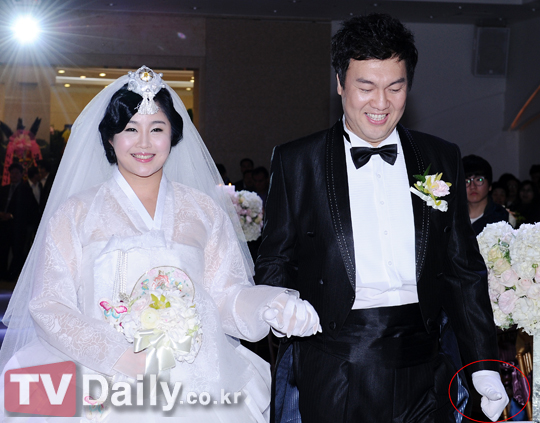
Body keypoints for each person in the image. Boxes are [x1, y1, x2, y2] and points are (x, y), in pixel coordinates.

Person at [0, 66, 320, 422]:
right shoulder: (76, 214)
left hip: (195, 384)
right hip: (102, 378)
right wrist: (118, 356)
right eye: (130, 129)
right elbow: (49, 304)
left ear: (173, 135)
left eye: (156, 129)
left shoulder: (203, 211)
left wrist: (269, 304)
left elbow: (225, 296)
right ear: (110, 138)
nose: (144, 143)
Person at [255, 14, 507, 423]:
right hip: (335, 363)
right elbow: (274, 258)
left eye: (395, 87)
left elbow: (463, 269)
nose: (381, 103)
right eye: (366, 87)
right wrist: (278, 306)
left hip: (426, 363)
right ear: (340, 83)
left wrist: (483, 365)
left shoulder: (440, 157)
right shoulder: (298, 161)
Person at [462, 154, 509, 235]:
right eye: (466, 181)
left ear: (490, 186)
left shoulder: (502, 217)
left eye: (479, 180)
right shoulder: (453, 216)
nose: (472, 186)